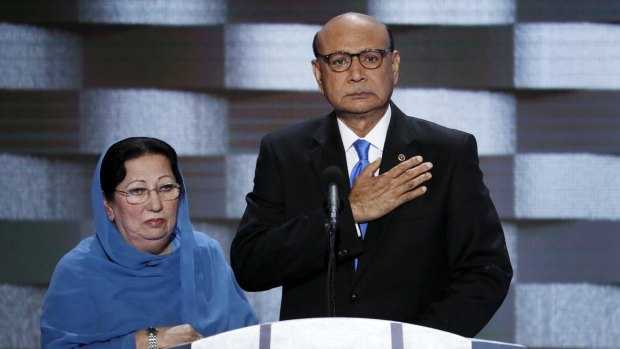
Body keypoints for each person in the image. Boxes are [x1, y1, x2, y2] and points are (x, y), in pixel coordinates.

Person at [230, 12, 512, 337]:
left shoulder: (447, 152)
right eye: (338, 61)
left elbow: (486, 271)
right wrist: (348, 216)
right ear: (318, 74)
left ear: (393, 66)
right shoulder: (284, 152)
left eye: (370, 58)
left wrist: (418, 343)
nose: (356, 74)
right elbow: (251, 264)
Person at [41, 137, 258, 348]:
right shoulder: (79, 270)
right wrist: (147, 340)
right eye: (137, 191)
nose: (155, 204)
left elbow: (249, 338)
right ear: (108, 205)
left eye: (166, 188)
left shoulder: (204, 254)